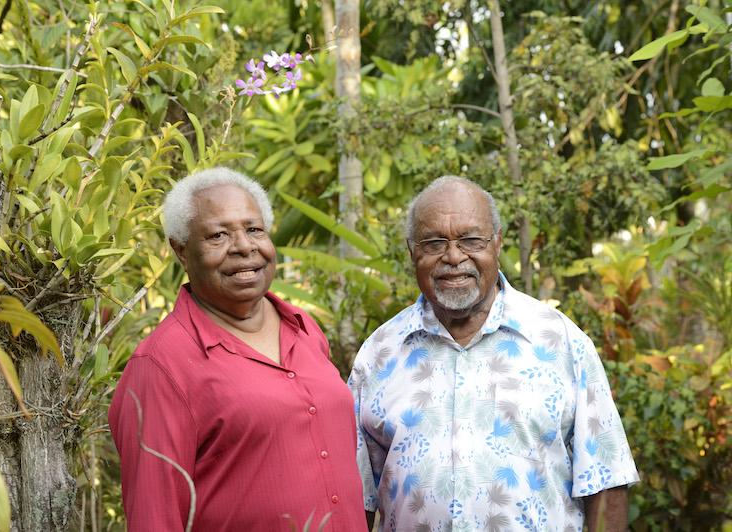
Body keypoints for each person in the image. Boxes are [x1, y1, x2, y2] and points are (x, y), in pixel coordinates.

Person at [348, 176, 639, 532]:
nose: (454, 256)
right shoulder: (378, 355)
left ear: (497, 243)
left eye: (471, 239)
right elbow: (356, 497)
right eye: (434, 242)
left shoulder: (561, 342)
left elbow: (606, 481)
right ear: (412, 250)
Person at [109, 167, 368, 532]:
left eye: (254, 229)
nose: (245, 246)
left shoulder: (305, 329)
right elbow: (154, 518)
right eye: (218, 234)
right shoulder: (160, 365)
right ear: (181, 251)